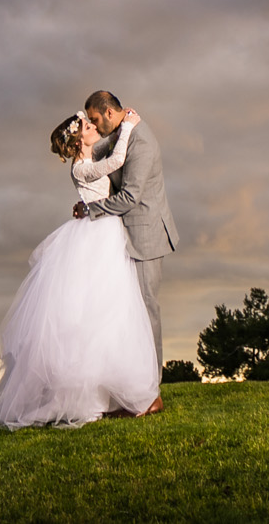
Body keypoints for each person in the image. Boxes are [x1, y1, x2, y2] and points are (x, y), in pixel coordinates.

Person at [0, 105, 163, 428]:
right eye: (85, 126)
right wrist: (129, 125)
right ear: (77, 142)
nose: (90, 126)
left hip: (103, 232)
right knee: (98, 309)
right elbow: (116, 161)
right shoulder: (81, 167)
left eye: (90, 122)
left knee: (108, 309)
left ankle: (119, 391)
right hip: (97, 235)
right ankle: (108, 394)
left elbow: (109, 159)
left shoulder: (88, 159)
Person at [75, 88, 179, 402]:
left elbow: (131, 196)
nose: (94, 125)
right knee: (127, 312)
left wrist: (91, 209)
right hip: (126, 235)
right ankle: (131, 384)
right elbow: (99, 148)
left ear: (109, 112)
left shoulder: (141, 140)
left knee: (147, 310)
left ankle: (152, 389)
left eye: (94, 119)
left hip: (146, 235)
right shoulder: (122, 132)